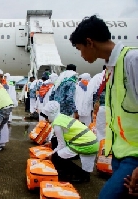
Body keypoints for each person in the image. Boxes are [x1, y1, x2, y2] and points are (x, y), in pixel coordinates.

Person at [70, 15, 138, 199]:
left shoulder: (133, 60)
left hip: (135, 156)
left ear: (89, 42)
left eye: (79, 49)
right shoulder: (111, 68)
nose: (81, 55)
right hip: (119, 153)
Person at [41, 101, 99, 182]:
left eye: (46, 116)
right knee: (54, 141)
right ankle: (65, 169)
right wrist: (52, 144)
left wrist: (51, 155)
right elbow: (60, 139)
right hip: (91, 142)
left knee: (56, 157)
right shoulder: (61, 117)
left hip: (85, 144)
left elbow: (62, 145)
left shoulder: (57, 124)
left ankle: (82, 175)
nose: (46, 119)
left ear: (50, 114)